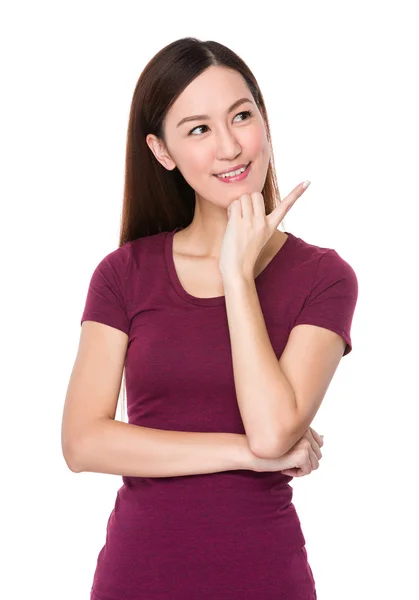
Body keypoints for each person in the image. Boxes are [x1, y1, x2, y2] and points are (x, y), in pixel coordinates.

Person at [61, 37, 358, 600]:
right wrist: (243, 452)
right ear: (162, 151)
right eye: (198, 129)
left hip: (264, 574)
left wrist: (237, 277)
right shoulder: (124, 274)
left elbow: (273, 430)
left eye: (241, 116)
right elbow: (83, 443)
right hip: (138, 575)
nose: (229, 146)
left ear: (264, 123)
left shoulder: (324, 276)